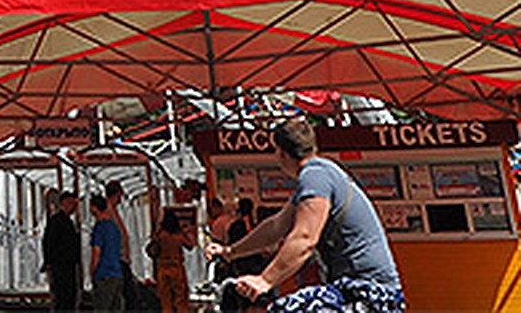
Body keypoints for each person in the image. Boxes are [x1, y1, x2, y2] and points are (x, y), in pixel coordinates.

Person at [205, 118, 405, 312]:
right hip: (353, 291)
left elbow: (305, 238)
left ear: (281, 153)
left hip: (370, 295)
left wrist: (265, 280)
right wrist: (230, 252)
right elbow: (276, 227)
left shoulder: (315, 176)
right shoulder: (319, 175)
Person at [42, 190, 81, 313]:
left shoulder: (67, 221)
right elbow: (48, 242)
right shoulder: (57, 221)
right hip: (60, 266)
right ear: (64, 203)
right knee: (63, 297)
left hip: (67, 265)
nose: (74, 207)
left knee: (68, 296)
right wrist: (49, 261)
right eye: (72, 203)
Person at [149, 209, 191, 313]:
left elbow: (152, 250)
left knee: (165, 301)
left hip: (162, 268)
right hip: (177, 268)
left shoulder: (160, 235)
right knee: (180, 301)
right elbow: (190, 245)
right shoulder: (178, 235)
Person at [89, 194, 126, 311]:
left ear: (94, 208)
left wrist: (92, 271)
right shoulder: (115, 228)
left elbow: (96, 253)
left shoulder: (99, 228)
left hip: (103, 274)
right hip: (117, 273)